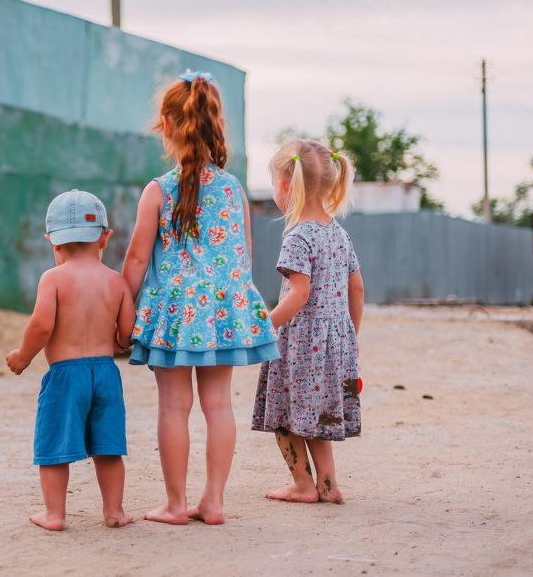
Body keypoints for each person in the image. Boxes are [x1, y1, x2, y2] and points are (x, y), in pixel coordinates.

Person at [122, 70, 279, 525]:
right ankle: (213, 502)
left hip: (174, 315)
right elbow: (243, 256)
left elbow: (136, 259)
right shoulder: (233, 190)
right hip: (222, 311)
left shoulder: (158, 190)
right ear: (216, 125)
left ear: (167, 125)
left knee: (174, 407)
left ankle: (175, 504)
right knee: (219, 405)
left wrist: (121, 312)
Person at [6, 189, 136, 531]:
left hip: (65, 376)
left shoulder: (53, 279)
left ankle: (54, 514)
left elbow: (41, 325)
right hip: (106, 373)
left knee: (53, 445)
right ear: (105, 238)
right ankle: (114, 511)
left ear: (52, 241)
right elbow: (127, 334)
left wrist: (22, 356)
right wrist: (115, 340)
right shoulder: (117, 282)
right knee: (108, 447)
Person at [251, 139, 365, 504]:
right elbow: (357, 288)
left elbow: (299, 294)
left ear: (286, 186)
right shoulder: (339, 234)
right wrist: (351, 336)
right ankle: (328, 486)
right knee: (316, 414)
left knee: (283, 415)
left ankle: (302, 484)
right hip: (335, 341)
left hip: (300, 344)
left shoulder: (297, 237)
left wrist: (264, 326)